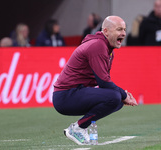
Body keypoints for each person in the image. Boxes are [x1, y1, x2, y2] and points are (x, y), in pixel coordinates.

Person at [52, 16, 138, 145]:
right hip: (66, 96)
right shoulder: (98, 45)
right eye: (119, 29)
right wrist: (124, 94)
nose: (124, 33)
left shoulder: (107, 49)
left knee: (116, 99)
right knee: (115, 97)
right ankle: (78, 128)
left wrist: (121, 95)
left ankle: (79, 127)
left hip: (74, 93)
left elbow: (104, 82)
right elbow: (104, 82)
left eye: (125, 30)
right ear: (106, 31)